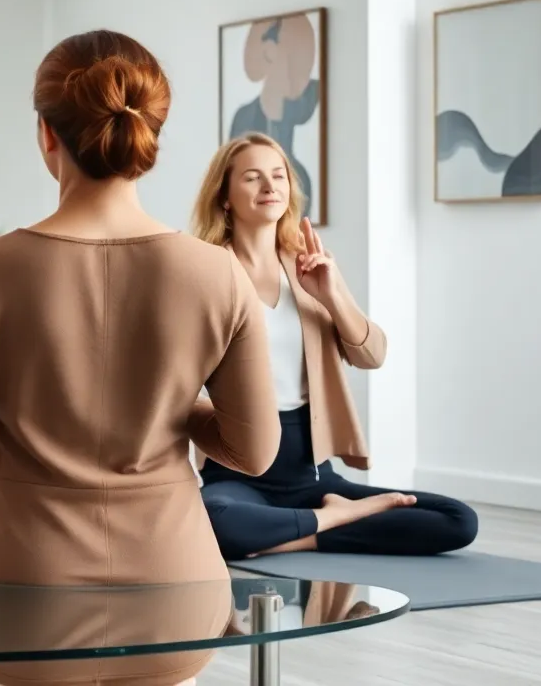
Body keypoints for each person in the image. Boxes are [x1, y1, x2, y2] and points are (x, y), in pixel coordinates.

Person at [0, 29, 283, 686]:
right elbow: (256, 450)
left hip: (21, 613)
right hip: (179, 609)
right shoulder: (220, 274)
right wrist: (169, 402)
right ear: (151, 135)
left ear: (46, 135)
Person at [189, 133, 479, 560]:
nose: (270, 187)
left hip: (313, 473)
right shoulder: (207, 272)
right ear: (226, 196)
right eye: (252, 178)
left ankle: (303, 527)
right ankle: (334, 520)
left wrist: (332, 295)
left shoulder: (309, 262)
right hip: (237, 471)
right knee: (218, 521)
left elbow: (372, 354)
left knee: (458, 520)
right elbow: (180, 382)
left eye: (278, 176)